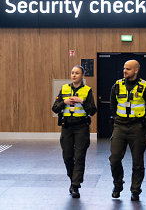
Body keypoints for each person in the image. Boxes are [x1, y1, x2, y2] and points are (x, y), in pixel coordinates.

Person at [109, 60, 146, 201]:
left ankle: (135, 190)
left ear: (136, 70)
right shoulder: (117, 86)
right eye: (124, 68)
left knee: (138, 162)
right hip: (120, 126)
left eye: (128, 69)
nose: (125, 71)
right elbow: (112, 106)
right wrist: (117, 120)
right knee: (114, 159)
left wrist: (142, 123)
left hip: (136, 127)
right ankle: (118, 184)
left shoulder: (145, 87)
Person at [52, 65, 96, 198]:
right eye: (72, 73)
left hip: (81, 127)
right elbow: (54, 108)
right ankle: (73, 179)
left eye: (77, 73)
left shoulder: (87, 91)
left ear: (82, 76)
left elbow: (92, 110)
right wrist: (64, 102)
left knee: (79, 156)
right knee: (67, 156)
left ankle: (75, 185)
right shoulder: (64, 89)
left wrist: (81, 101)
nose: (74, 75)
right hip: (66, 127)